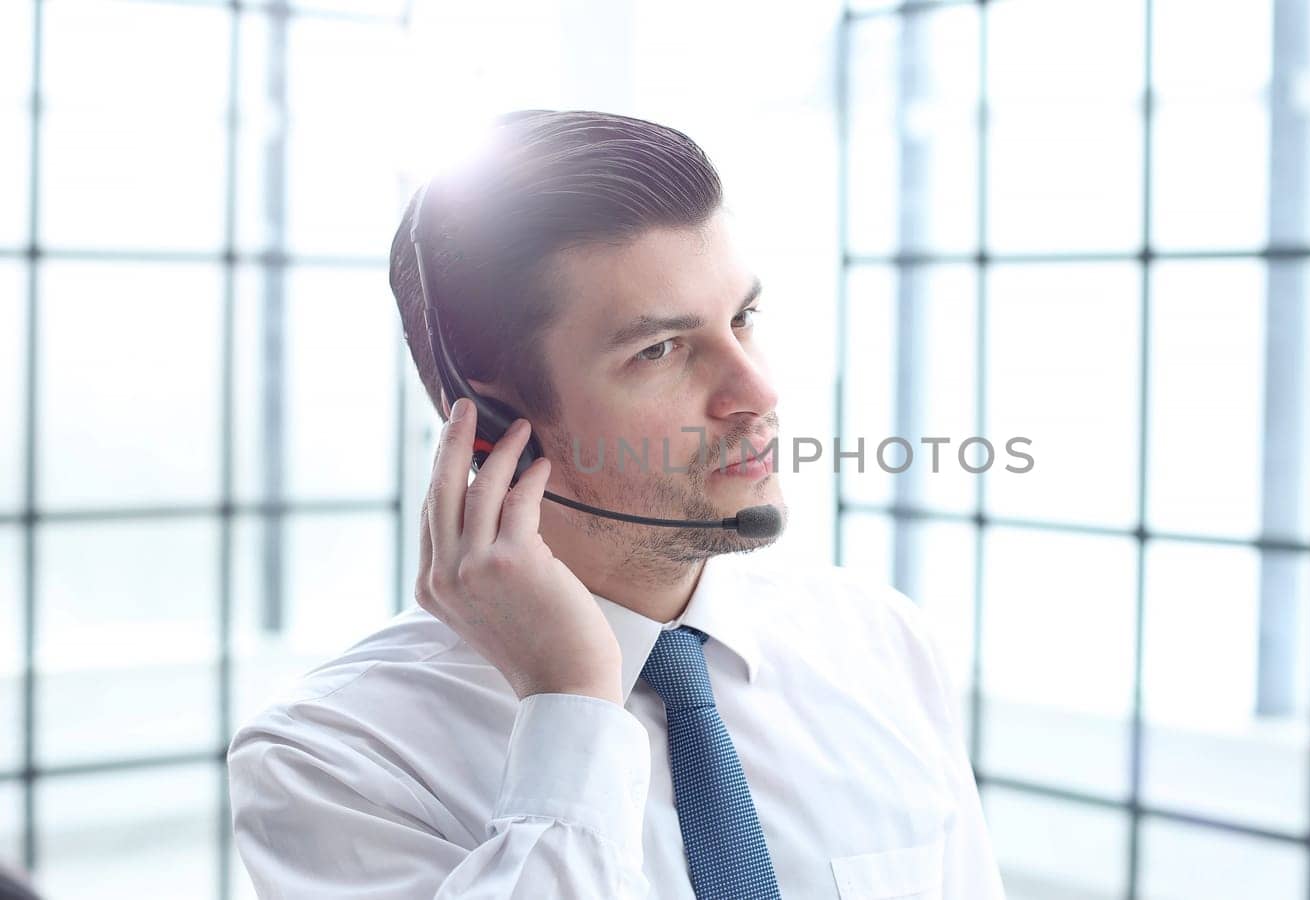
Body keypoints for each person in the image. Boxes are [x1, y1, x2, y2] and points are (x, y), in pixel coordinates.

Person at [227, 109, 1005, 899]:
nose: (758, 393)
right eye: (660, 350)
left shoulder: (880, 645)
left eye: (743, 319)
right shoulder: (335, 760)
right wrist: (571, 702)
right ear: (496, 421)